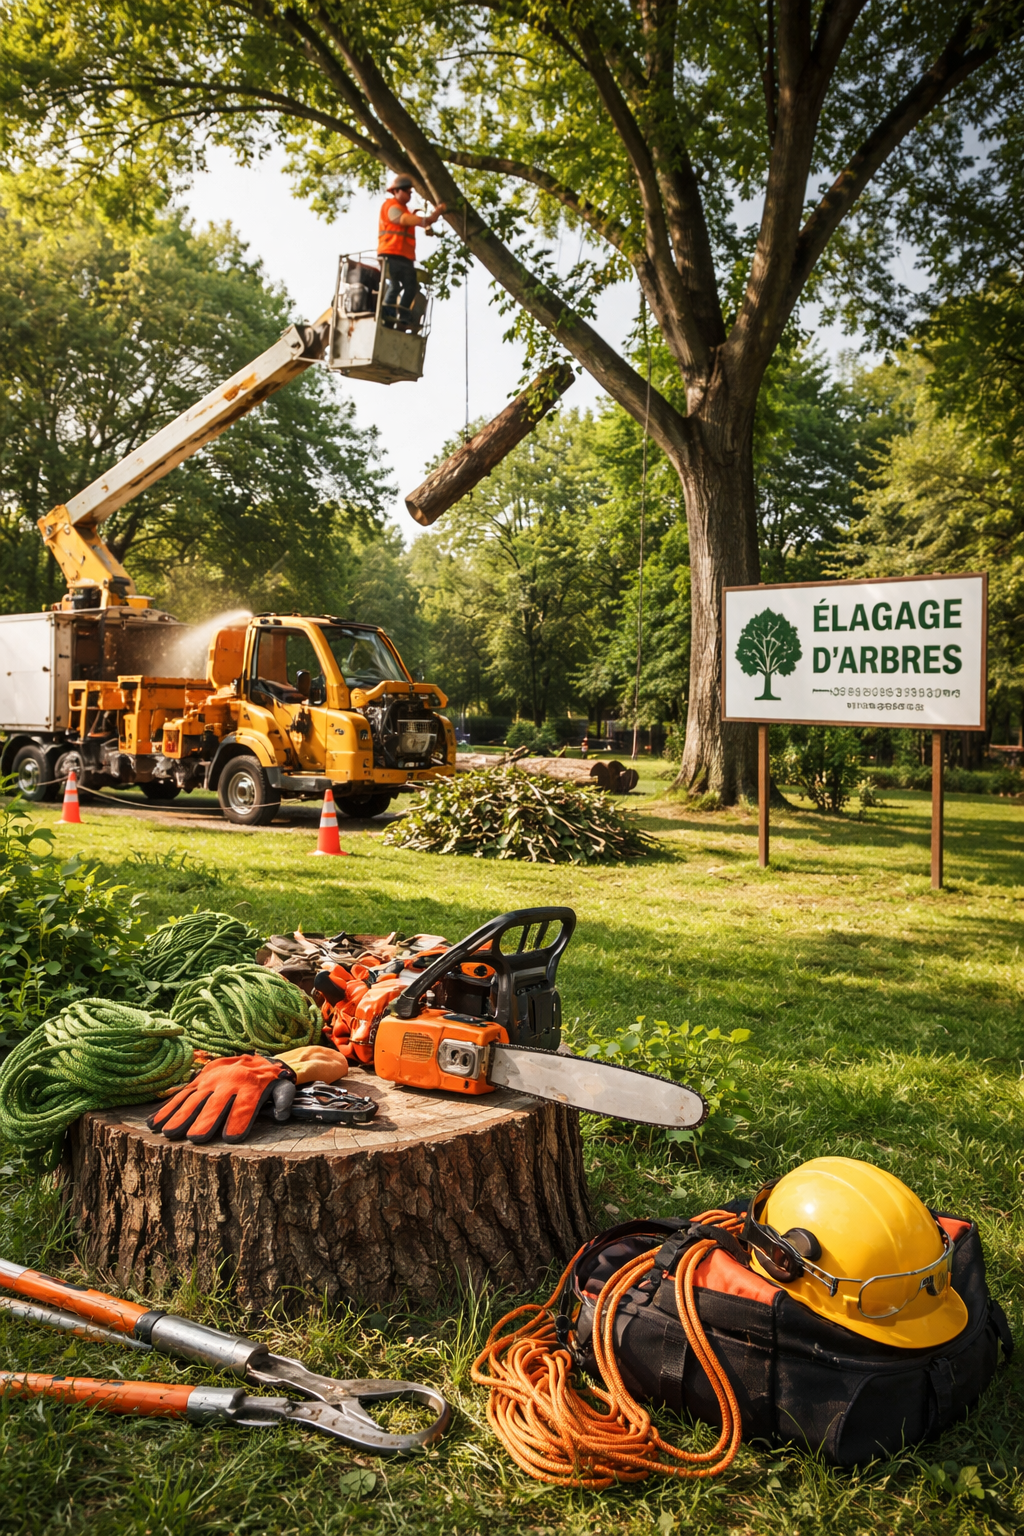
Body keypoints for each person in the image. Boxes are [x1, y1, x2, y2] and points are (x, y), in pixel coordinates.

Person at [378, 175, 445, 329]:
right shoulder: (391, 207)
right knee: (395, 285)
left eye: (410, 192)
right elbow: (407, 220)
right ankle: (388, 313)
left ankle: (403, 314)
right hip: (390, 253)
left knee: (411, 286)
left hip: (405, 257)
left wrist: (426, 223)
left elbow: (412, 221)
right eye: (406, 191)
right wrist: (437, 213)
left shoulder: (404, 210)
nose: (409, 194)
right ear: (396, 191)